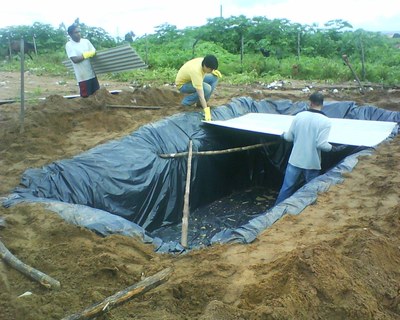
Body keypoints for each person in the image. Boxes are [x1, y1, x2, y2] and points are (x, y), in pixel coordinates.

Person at [275, 92, 333, 205]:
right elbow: (322, 145)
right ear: (322, 104)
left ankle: (275, 211)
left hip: (295, 160)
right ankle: (308, 211)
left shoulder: (299, 116)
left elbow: (289, 137)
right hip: (312, 163)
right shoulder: (326, 121)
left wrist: (282, 135)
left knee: (286, 188)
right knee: (310, 191)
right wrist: (333, 148)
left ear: (310, 103)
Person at [175, 55, 222, 121]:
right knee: (207, 88)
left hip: (191, 78)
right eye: (211, 69)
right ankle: (186, 102)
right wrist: (207, 113)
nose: (212, 71)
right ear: (205, 66)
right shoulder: (196, 72)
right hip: (183, 85)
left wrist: (213, 72)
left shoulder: (204, 61)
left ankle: (200, 104)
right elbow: (201, 96)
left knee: (214, 77)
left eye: (213, 69)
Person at [65, 24, 100, 98]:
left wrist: (91, 53)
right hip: (83, 77)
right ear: (70, 34)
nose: (78, 34)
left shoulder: (86, 42)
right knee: (86, 98)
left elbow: (94, 51)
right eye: (76, 32)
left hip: (92, 74)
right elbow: (75, 60)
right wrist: (86, 55)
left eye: (79, 32)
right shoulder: (69, 45)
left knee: (97, 95)